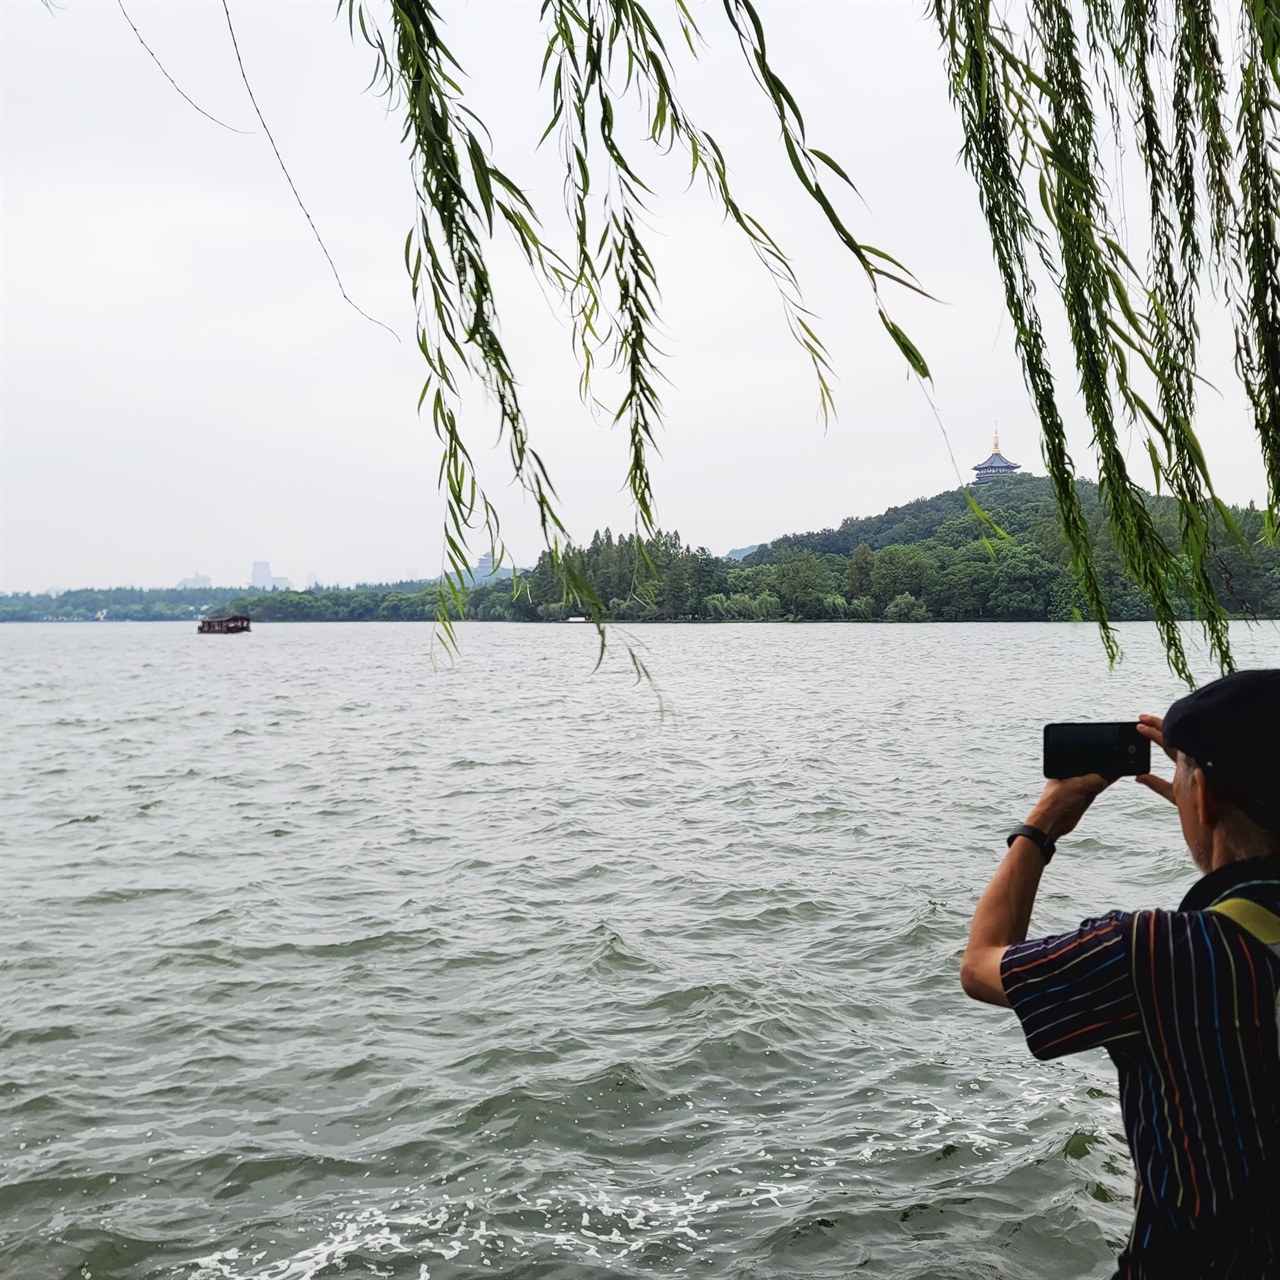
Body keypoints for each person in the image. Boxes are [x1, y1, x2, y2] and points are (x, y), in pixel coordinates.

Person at [960, 669, 1280, 1279]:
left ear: (1206, 796)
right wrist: (1208, 808)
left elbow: (980, 966)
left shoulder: (1150, 952)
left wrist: (1042, 825)